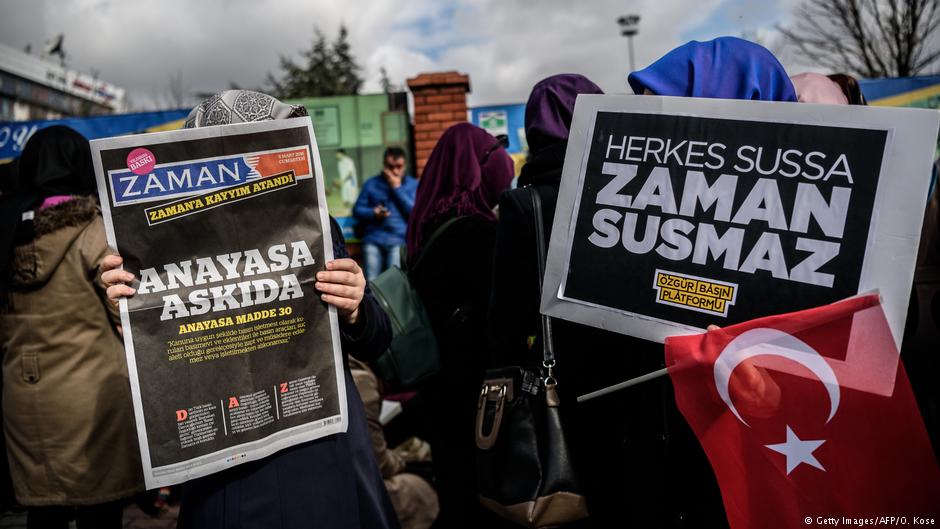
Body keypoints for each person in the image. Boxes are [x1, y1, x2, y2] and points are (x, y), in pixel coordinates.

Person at [101, 90, 400, 529]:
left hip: (321, 445)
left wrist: (356, 307)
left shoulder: (313, 221)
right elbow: (157, 368)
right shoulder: (159, 244)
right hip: (229, 457)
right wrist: (131, 311)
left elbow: (377, 338)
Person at [0, 125, 143, 529]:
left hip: (22, 398)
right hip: (95, 399)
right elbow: (125, 311)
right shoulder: (92, 228)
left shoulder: (5, 227)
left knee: (44, 511)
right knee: (102, 509)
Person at [405, 123, 514, 527]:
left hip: (438, 394)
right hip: (483, 401)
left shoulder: (427, 227)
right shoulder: (480, 235)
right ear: (476, 169)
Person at [348, 358, 439, 529]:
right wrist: (406, 460)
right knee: (419, 489)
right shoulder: (360, 379)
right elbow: (379, 464)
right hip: (349, 496)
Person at [353, 147, 417, 280]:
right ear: (384, 165)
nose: (394, 171)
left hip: (398, 240)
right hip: (373, 239)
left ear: (404, 165)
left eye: (398, 166)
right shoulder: (371, 184)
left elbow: (415, 213)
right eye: (390, 166)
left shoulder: (412, 185)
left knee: (394, 281)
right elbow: (357, 210)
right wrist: (373, 213)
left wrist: (397, 188)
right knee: (371, 281)